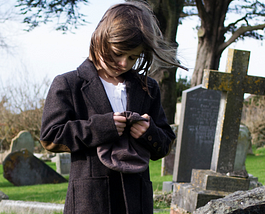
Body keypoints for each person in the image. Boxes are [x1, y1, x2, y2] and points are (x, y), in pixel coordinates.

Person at [40, 1, 186, 214]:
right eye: (118, 53)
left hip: (137, 200)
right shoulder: (69, 84)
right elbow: (50, 137)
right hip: (90, 201)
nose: (124, 63)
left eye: (133, 57)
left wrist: (149, 132)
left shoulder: (148, 88)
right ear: (101, 39)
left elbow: (165, 143)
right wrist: (101, 127)